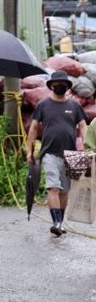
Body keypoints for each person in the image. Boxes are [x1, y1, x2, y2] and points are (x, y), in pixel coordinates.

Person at [26, 70, 88, 236]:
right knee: (53, 187)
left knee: (65, 191)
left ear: (67, 86)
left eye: (63, 84)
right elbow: (33, 128)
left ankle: (60, 221)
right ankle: (57, 222)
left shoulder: (74, 106)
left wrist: (86, 145)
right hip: (49, 153)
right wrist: (29, 150)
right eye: (56, 84)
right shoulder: (43, 105)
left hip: (71, 154)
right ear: (51, 86)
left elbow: (82, 125)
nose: (59, 86)